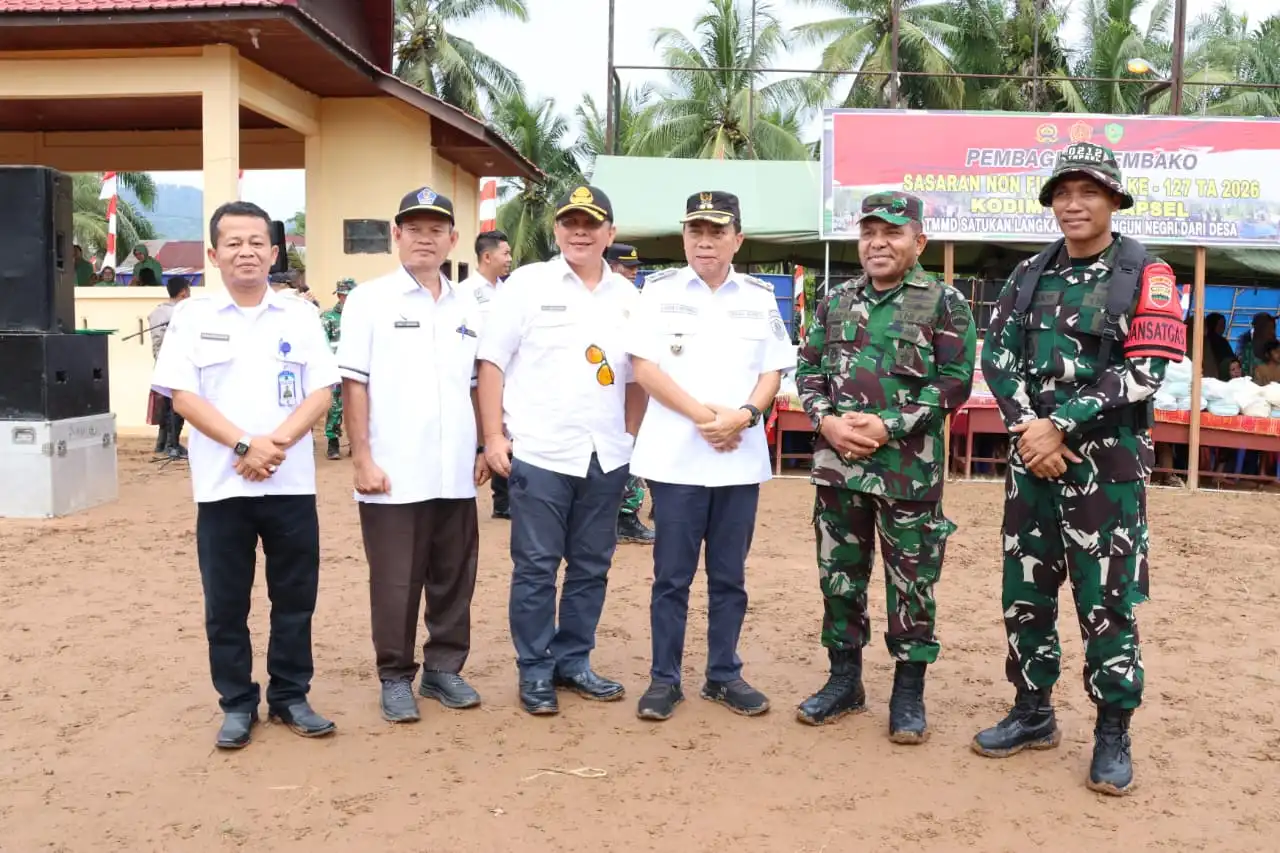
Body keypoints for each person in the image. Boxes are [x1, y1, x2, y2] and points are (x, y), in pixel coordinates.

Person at [972, 143, 1186, 796]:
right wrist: (1025, 427)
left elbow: (1145, 372)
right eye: (1063, 192)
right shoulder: (1030, 273)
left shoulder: (1146, 273)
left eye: (1087, 191)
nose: (1073, 203)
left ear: (1114, 199)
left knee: (1107, 604)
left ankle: (1113, 729)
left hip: (1107, 475)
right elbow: (998, 354)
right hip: (1032, 466)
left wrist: (1057, 422)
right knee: (1025, 594)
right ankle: (1033, 711)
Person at [151, 200, 339, 749]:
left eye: (257, 242)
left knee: (295, 599)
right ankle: (236, 703)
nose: (246, 252)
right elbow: (183, 397)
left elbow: (321, 392)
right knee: (226, 605)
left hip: (289, 484)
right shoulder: (193, 319)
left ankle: (289, 696)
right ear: (214, 254)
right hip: (221, 488)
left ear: (274, 251)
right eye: (233, 243)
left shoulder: (299, 315)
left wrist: (272, 446)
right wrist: (242, 444)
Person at [794, 191, 976, 744]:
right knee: (839, 577)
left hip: (908, 473)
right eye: (870, 231)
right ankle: (844, 680)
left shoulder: (945, 303)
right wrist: (825, 421)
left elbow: (955, 384)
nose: (878, 242)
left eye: (893, 232)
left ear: (918, 241)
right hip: (838, 469)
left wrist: (890, 426)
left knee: (912, 584)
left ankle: (908, 692)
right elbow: (807, 370)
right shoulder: (835, 299)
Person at [477, 184, 646, 716]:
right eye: (570, 222)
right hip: (542, 453)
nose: (579, 231)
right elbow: (491, 364)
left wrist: (631, 435)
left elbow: (639, 376)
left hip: (606, 456)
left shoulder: (628, 298)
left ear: (609, 234)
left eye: (591, 223)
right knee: (535, 568)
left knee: (592, 566)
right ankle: (535, 670)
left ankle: (573, 660)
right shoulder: (526, 286)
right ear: (556, 231)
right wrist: (493, 437)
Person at [627, 191, 794, 721]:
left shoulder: (759, 296)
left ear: (737, 240)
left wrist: (743, 416)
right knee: (671, 578)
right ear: (684, 238)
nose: (705, 241)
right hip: (676, 460)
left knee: (729, 577)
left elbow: (773, 370)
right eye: (696, 231)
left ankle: (724, 674)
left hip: (737, 458)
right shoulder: (656, 292)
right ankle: (664, 680)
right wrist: (706, 417)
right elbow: (645, 369)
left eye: (717, 232)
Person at [338, 187, 490, 723]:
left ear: (452, 240)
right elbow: (354, 386)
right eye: (414, 229)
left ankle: (444, 669)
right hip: (392, 471)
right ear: (396, 235)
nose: (425, 238)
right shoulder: (369, 301)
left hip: (452, 470)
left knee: (454, 573)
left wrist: (481, 445)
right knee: (396, 578)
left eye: (436, 230)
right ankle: (395, 675)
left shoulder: (469, 304)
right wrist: (362, 459)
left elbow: (478, 383)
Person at [463, 230, 514, 519]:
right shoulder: (465, 293)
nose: (509, 259)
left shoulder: (508, 292)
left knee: (505, 432)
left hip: (506, 376)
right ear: (487, 256)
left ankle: (504, 499)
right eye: (505, 253)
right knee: (482, 433)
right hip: (474, 378)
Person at [607, 242, 655, 544]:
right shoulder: (598, 301)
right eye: (628, 267)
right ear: (612, 266)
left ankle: (624, 516)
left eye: (636, 268)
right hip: (607, 399)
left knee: (634, 456)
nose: (633, 273)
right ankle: (620, 518)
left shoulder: (637, 302)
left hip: (633, 397)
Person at [148, 275, 192, 458]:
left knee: (166, 405)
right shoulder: (182, 312)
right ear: (183, 292)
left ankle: (162, 443)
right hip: (177, 364)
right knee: (177, 405)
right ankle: (172, 445)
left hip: (160, 363)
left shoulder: (157, 311)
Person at [321, 279, 355, 460]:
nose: (343, 298)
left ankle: (355, 443)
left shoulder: (363, 317)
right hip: (335, 368)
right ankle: (333, 443)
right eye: (341, 295)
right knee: (335, 407)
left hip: (358, 369)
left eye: (347, 295)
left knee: (358, 406)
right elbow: (321, 342)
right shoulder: (328, 317)